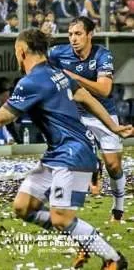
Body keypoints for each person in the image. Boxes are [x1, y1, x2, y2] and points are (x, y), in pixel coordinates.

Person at [0, 28, 130, 270]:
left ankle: (113, 259)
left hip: (73, 152)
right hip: (59, 152)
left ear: (21, 51)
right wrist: (114, 128)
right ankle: (81, 238)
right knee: (23, 206)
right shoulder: (57, 73)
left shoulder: (31, 81)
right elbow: (86, 97)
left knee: (61, 218)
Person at [48, 16, 126, 223]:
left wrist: (74, 78)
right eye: (70, 34)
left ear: (90, 35)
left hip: (103, 113)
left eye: (78, 34)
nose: (73, 39)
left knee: (114, 166)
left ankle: (118, 207)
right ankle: (91, 166)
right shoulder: (57, 53)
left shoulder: (102, 55)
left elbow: (104, 89)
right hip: (75, 114)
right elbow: (36, 63)